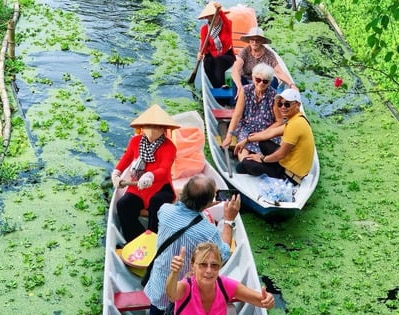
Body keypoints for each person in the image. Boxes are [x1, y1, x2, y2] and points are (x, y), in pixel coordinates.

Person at [144, 175, 240, 315]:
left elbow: (180, 206)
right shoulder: (209, 233)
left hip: (158, 288)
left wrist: (202, 203)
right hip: (185, 293)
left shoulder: (164, 211)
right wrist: (228, 220)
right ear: (206, 203)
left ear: (184, 193)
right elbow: (223, 255)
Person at [111, 104, 180, 242]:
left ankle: (154, 239)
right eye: (150, 126)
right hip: (137, 186)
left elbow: (164, 169)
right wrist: (117, 172)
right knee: (123, 205)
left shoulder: (169, 147)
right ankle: (136, 240)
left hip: (160, 186)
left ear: (163, 129)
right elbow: (127, 158)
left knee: (156, 203)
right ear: (143, 127)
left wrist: (151, 175)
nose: (153, 130)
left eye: (157, 126)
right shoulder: (135, 141)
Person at [166, 242, 276, 314]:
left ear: (219, 267)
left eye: (214, 265)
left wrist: (268, 299)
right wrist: (174, 272)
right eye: (203, 264)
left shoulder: (225, 285)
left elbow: (260, 300)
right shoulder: (186, 287)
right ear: (193, 266)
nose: (209, 270)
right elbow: (171, 294)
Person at [236, 89, 315, 185]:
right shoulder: (298, 119)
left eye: (287, 104)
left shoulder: (295, 125)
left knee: (244, 164)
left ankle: (258, 168)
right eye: (280, 104)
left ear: (298, 105)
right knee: (263, 142)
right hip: (286, 164)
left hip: (289, 176)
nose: (282, 107)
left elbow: (281, 154)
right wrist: (246, 139)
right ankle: (265, 164)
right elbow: (270, 133)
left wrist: (261, 158)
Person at [221, 63, 283, 161]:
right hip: (247, 127)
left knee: (267, 148)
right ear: (253, 78)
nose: (261, 83)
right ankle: (245, 163)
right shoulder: (245, 91)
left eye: (265, 81)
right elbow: (237, 115)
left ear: (270, 82)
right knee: (243, 149)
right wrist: (229, 135)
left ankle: (260, 161)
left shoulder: (274, 96)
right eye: (258, 80)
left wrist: (264, 133)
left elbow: (279, 121)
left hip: (266, 129)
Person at [231, 26, 299, 98]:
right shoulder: (244, 52)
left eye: (257, 40)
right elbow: (236, 69)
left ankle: (268, 101)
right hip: (247, 82)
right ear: (249, 40)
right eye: (252, 39)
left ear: (262, 41)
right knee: (236, 79)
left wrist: (292, 85)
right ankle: (237, 102)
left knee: (274, 80)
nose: (254, 42)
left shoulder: (269, 54)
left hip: (262, 83)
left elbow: (279, 72)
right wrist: (239, 86)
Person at [197, 1, 235, 88]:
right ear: (207, 17)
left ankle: (221, 85)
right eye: (211, 16)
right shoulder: (204, 29)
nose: (214, 17)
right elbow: (204, 46)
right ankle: (214, 86)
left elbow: (227, 22)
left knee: (219, 61)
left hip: (227, 55)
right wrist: (200, 53)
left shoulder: (227, 25)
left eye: (216, 15)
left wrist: (219, 10)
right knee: (207, 63)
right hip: (212, 56)